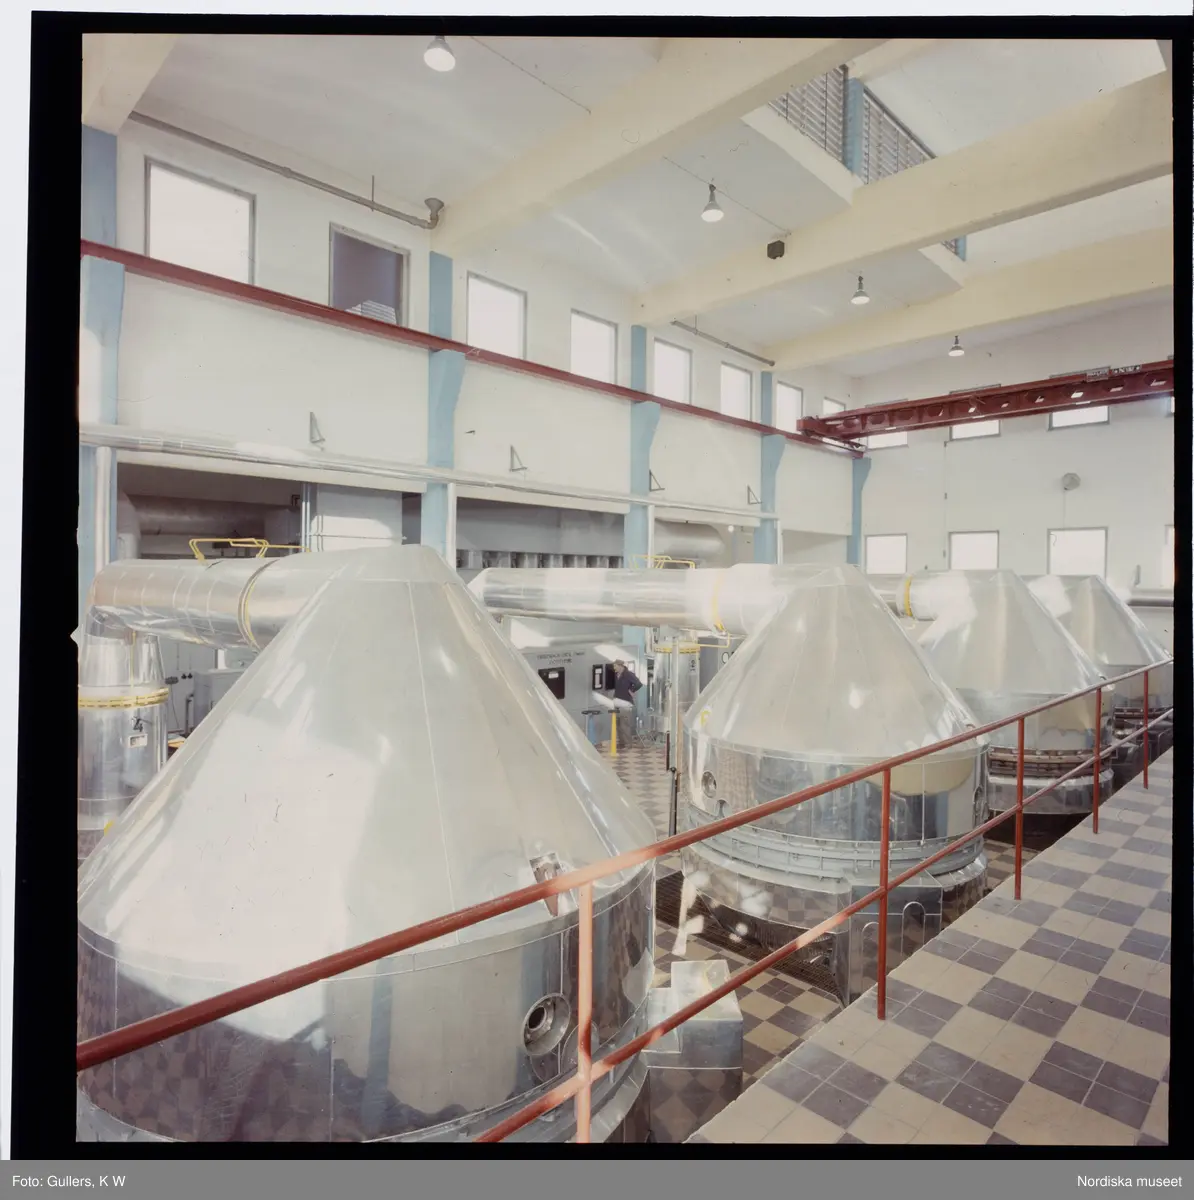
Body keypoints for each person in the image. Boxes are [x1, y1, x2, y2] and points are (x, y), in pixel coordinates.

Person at [610, 660, 642, 749]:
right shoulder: (616, 675)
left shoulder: (628, 674)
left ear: (620, 666)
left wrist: (631, 690)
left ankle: (628, 744)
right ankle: (622, 743)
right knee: (617, 724)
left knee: (624, 724)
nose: (614, 668)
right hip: (617, 702)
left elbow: (638, 684)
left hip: (625, 703)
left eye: (615, 666)